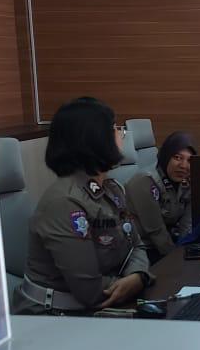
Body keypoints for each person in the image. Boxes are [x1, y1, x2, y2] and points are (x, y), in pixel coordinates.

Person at [12, 97, 152, 315]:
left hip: (101, 306)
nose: (121, 134)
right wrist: (133, 283)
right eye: (115, 128)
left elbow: (137, 246)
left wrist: (139, 276)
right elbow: (90, 291)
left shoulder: (113, 190)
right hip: (54, 317)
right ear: (97, 139)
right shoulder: (65, 202)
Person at [125, 131, 196, 260]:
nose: (184, 166)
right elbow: (156, 231)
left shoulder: (186, 182)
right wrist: (176, 259)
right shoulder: (145, 181)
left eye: (189, 160)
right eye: (177, 157)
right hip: (140, 249)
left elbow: (186, 224)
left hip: (167, 243)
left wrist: (185, 249)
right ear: (166, 156)